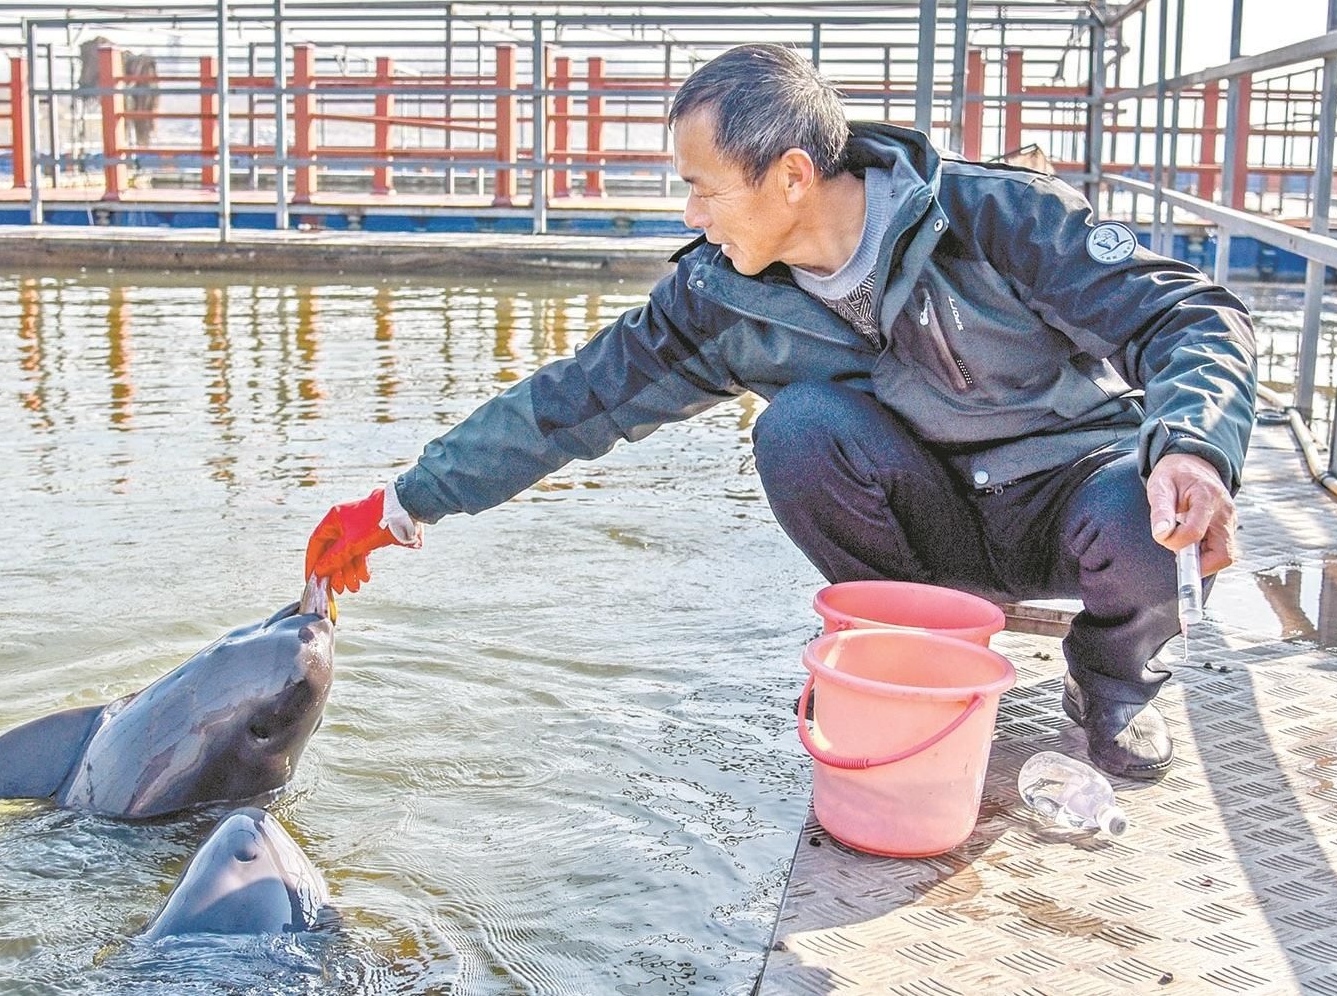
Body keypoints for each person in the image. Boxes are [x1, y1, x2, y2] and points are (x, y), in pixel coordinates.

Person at [305, 44, 1255, 780]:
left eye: (702, 188)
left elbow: (1188, 316)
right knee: (798, 430)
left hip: (1066, 499)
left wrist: (1196, 448)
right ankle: (908, 648)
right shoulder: (723, 295)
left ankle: (1114, 685)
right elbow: (573, 400)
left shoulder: (996, 215)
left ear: (792, 175)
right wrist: (404, 504)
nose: (691, 215)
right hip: (929, 518)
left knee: (1149, 500)